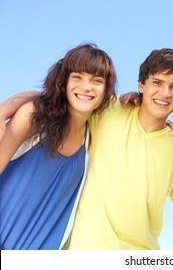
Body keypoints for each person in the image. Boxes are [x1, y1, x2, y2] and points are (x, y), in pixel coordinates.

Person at [65, 48, 173, 250]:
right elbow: (59, 102)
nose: (165, 93)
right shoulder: (109, 108)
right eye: (157, 83)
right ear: (141, 86)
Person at [0, 43, 117, 249]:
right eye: (77, 77)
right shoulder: (34, 117)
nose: (86, 87)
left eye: (97, 80)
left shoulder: (92, 133)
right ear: (64, 81)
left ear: (106, 90)